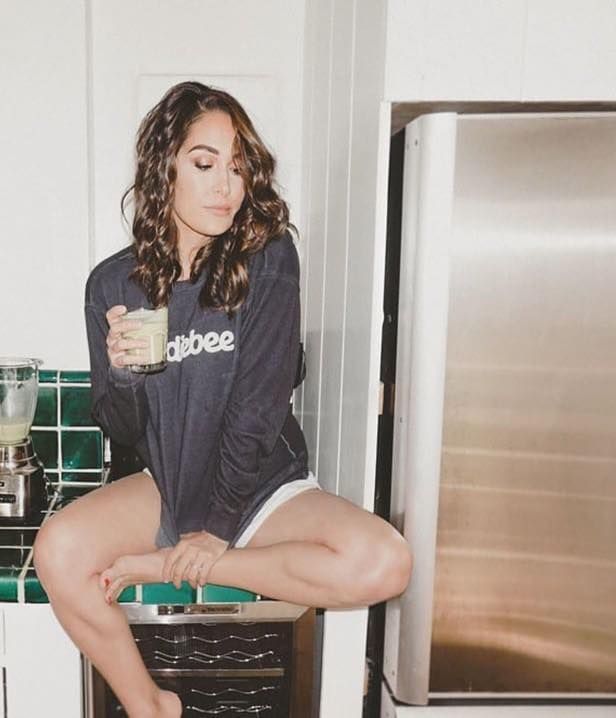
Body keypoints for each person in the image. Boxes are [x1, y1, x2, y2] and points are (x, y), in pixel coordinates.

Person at [33, 81, 412, 718]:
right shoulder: (113, 282)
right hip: (169, 480)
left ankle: (176, 563)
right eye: (204, 164)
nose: (226, 187)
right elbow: (121, 427)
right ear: (164, 169)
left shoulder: (267, 258)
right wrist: (122, 376)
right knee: (58, 551)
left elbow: (258, 404)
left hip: (260, 484)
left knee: (384, 562)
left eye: (237, 168)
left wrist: (212, 538)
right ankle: (151, 706)